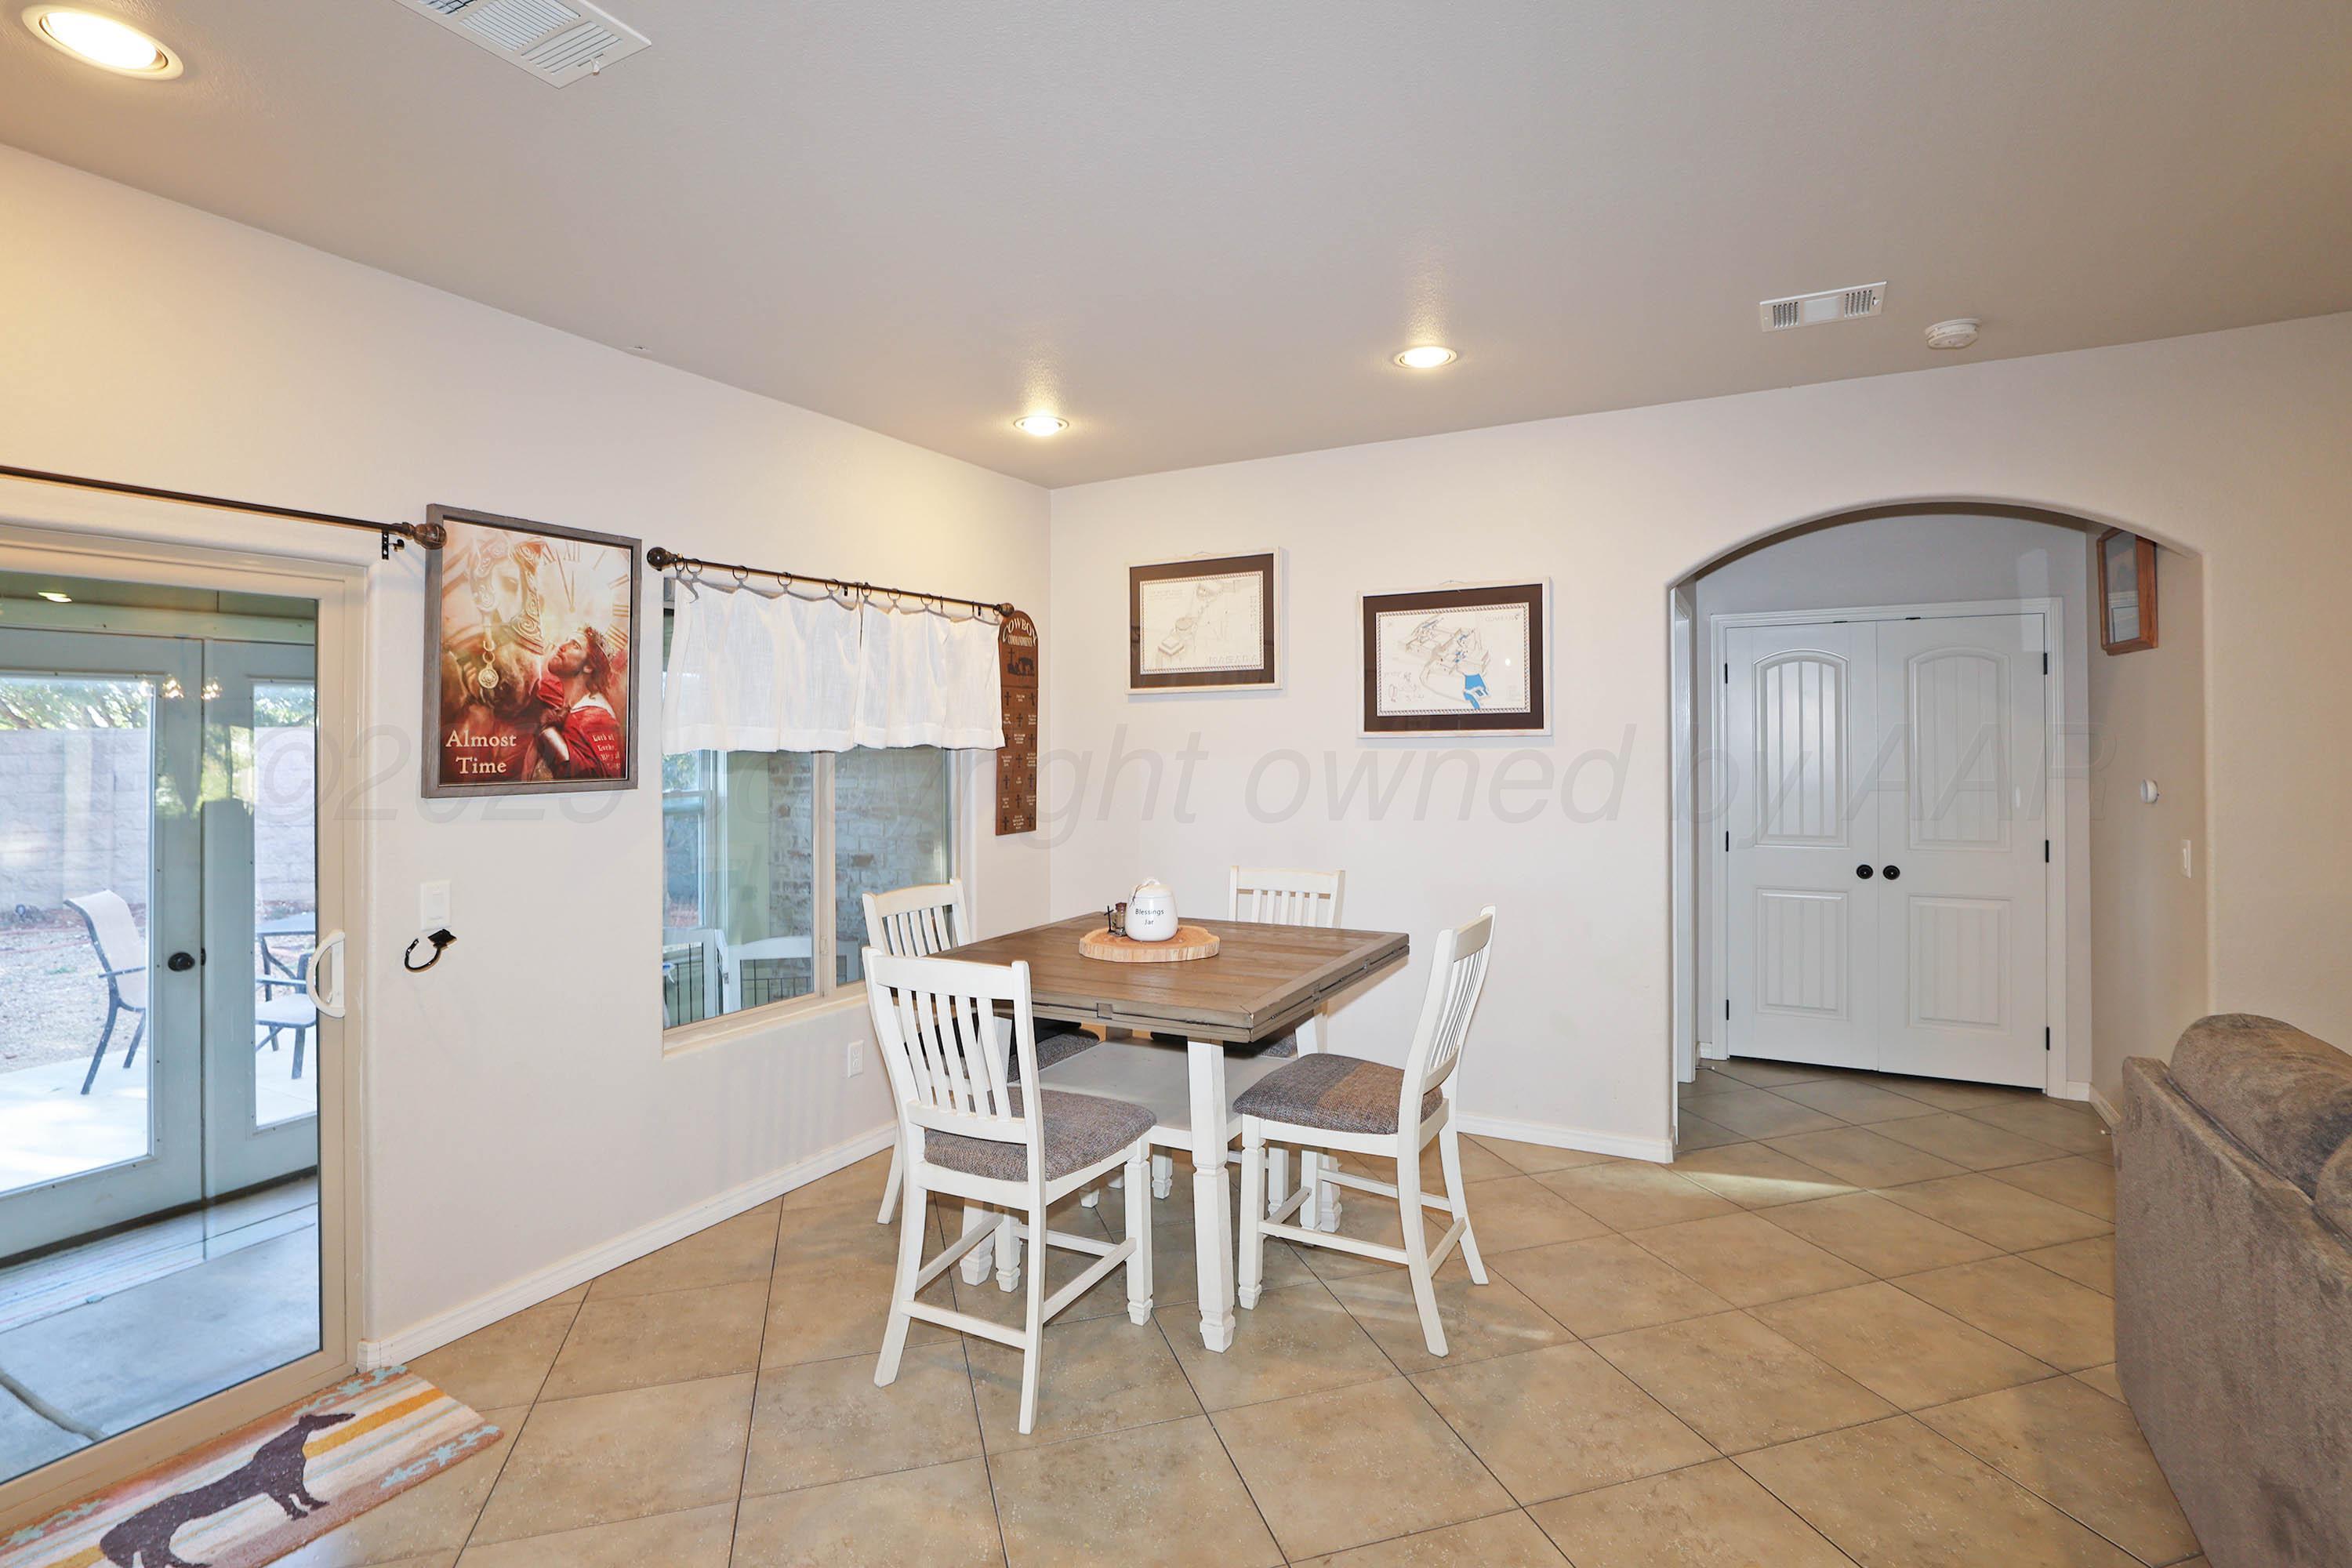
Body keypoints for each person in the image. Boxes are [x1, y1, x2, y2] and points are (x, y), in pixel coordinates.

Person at [532, 626, 626, 779]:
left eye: (575, 646)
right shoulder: (564, 702)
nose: (562, 646)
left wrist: (549, 735)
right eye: (566, 641)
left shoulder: (597, 719)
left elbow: (599, 780)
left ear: (589, 666)